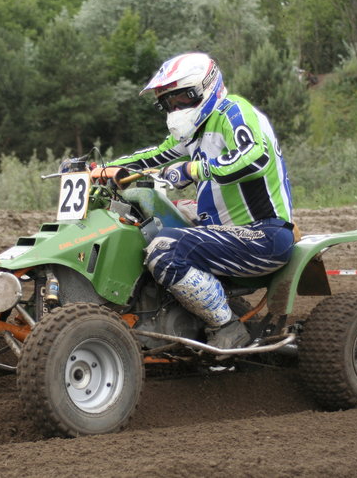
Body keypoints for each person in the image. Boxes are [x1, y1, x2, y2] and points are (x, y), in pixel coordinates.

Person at [107, 52, 296, 351]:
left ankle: (227, 326)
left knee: (165, 249)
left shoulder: (234, 111)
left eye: (182, 98)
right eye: (168, 103)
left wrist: (193, 169)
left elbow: (255, 157)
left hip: (263, 233)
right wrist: (102, 168)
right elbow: (153, 157)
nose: (175, 108)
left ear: (205, 87)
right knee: (146, 222)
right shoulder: (195, 132)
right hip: (226, 231)